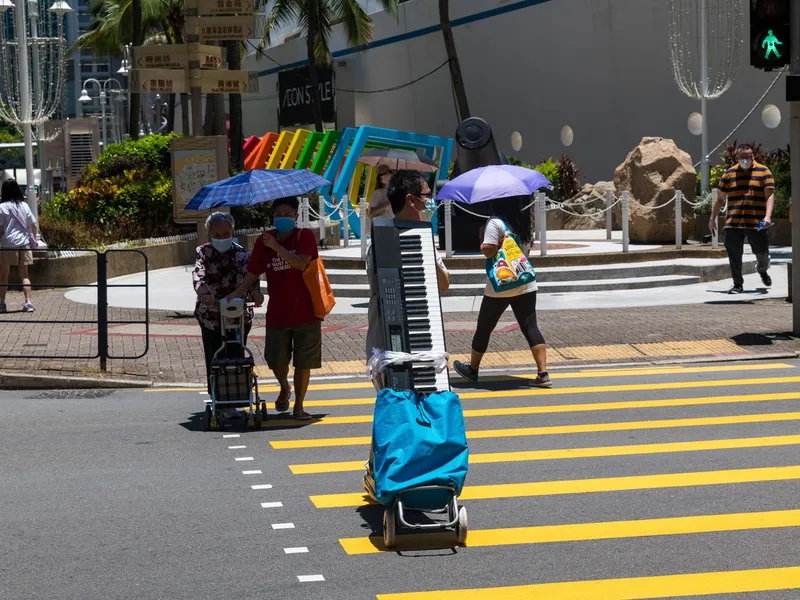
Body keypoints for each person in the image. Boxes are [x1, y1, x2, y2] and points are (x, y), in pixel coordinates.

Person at [228, 196, 321, 421]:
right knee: (275, 360)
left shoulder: (304, 236)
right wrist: (235, 294)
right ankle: (284, 387)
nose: (283, 219)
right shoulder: (264, 241)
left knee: (303, 363)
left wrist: (276, 246)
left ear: (296, 216)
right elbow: (253, 272)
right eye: (278, 215)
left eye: (288, 215)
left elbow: (301, 263)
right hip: (278, 312)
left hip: (306, 312)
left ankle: (299, 406)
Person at [453, 197, 551, 388]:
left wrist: (484, 242)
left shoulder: (495, 222)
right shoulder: (522, 222)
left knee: (484, 327)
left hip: (501, 285)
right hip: (524, 282)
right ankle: (543, 373)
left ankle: (473, 370)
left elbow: (488, 251)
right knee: (530, 327)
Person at [365, 170, 450, 362]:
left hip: (422, 330)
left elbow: (444, 284)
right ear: (411, 200)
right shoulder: (379, 242)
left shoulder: (425, 239)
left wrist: (426, 251)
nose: (431, 201)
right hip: (387, 341)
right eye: (427, 195)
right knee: (393, 391)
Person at [193, 212, 263, 395]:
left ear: (232, 232)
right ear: (210, 235)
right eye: (217, 235)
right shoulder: (203, 252)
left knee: (236, 354)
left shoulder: (242, 255)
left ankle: (237, 394)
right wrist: (203, 294)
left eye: (226, 234)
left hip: (237, 314)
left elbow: (252, 277)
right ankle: (216, 396)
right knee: (214, 356)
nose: (221, 238)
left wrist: (256, 293)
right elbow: (198, 276)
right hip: (212, 314)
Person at [710, 143, 774, 294]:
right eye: (742, 157)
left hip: (756, 222)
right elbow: (720, 199)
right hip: (733, 222)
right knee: (734, 253)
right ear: (736, 157)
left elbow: (770, 195)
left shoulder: (764, 171)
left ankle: (762, 270)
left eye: (748, 157)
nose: (746, 160)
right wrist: (712, 218)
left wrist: (768, 216)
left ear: (753, 156)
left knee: (762, 253)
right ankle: (737, 284)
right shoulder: (729, 174)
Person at [0, 179, 38, 313]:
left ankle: (2, 304)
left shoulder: (2, 207)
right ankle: (28, 303)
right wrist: (33, 238)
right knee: (25, 274)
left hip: (7, 244)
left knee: (4, 275)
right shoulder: (24, 205)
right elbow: (33, 225)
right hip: (24, 243)